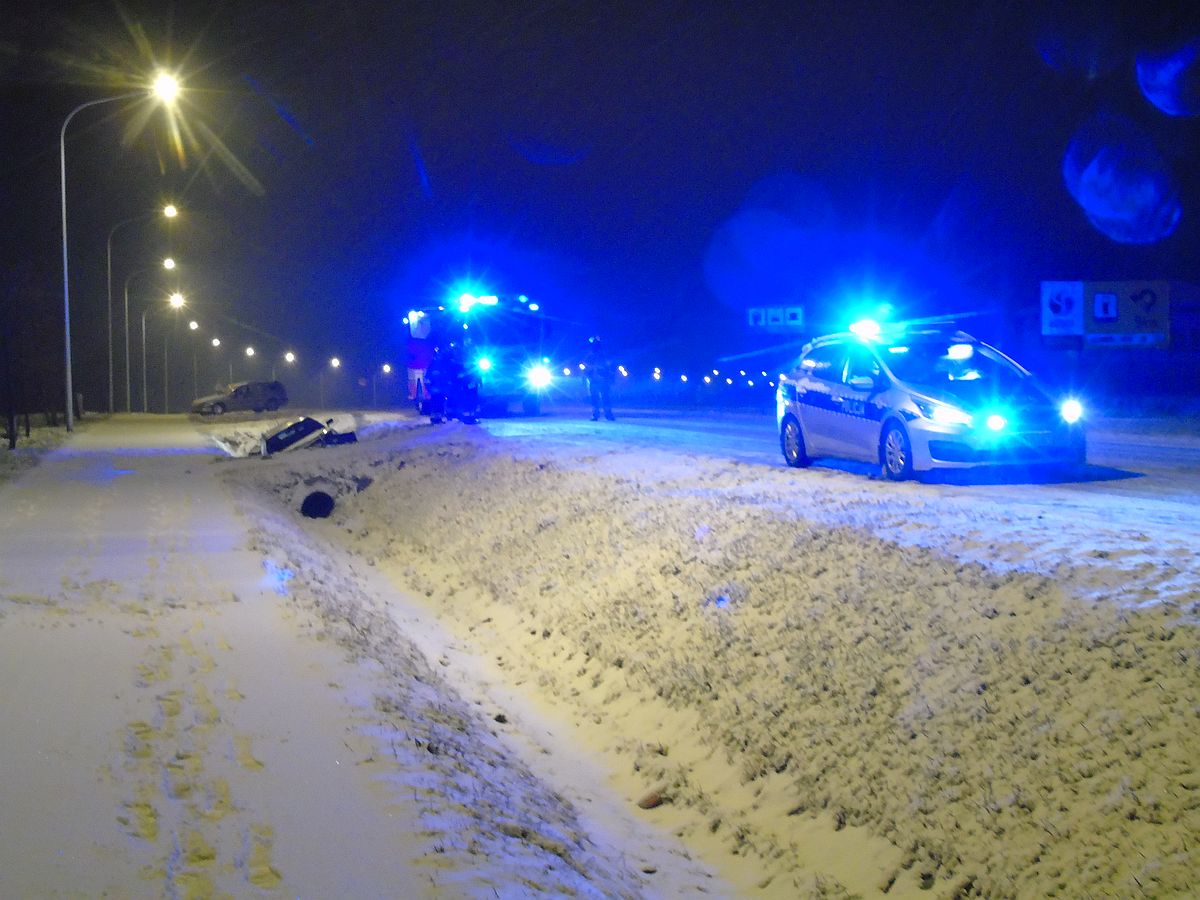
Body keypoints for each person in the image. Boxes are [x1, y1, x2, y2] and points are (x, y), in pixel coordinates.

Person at [583, 335, 615, 421]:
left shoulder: (603, 355)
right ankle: (598, 414)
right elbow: (585, 367)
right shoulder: (590, 356)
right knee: (596, 398)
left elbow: (609, 368)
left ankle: (606, 414)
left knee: (604, 397)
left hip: (601, 379)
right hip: (594, 380)